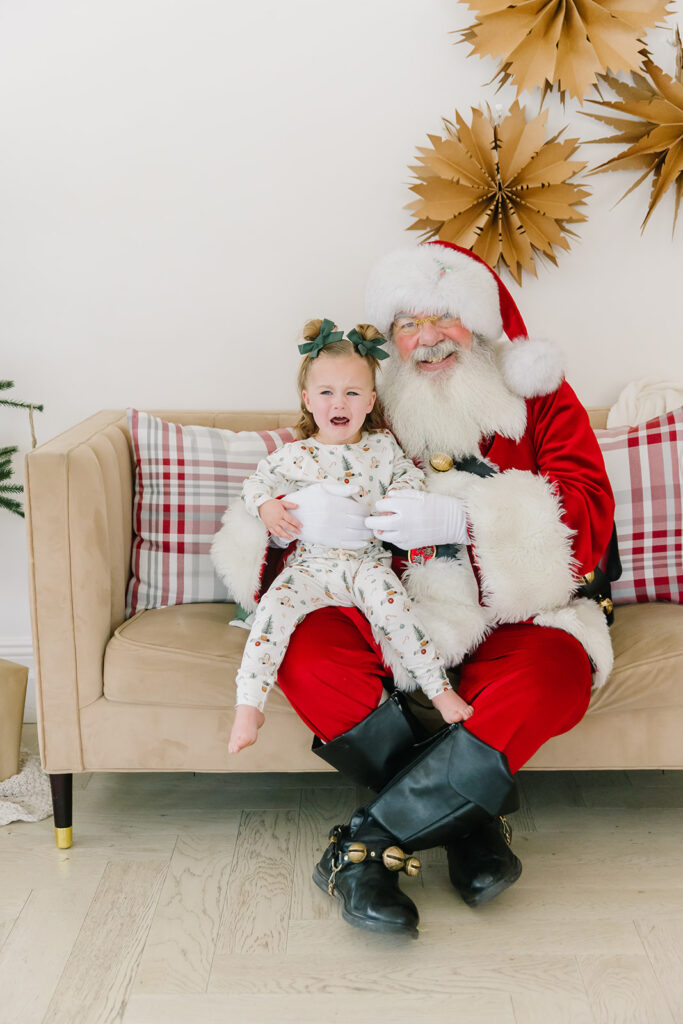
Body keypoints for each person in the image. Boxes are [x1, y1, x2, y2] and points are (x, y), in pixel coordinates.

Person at [213, 242, 616, 939]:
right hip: (393, 606)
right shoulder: (364, 401)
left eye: (442, 316)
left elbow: (589, 508)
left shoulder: (540, 395)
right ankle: (466, 824)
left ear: (478, 320)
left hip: (515, 612)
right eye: (406, 324)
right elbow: (273, 495)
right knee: (305, 652)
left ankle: (365, 846)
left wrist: (470, 519)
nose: (425, 338)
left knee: (555, 674)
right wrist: (304, 515)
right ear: (389, 341)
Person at [222, 318, 474, 756]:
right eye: (327, 393)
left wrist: (402, 498)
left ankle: (437, 688)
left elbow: (408, 478)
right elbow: (255, 485)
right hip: (311, 566)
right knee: (271, 614)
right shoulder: (295, 455)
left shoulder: (381, 447)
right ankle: (249, 703)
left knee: (397, 609)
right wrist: (269, 506)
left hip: (366, 563)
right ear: (307, 400)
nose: (339, 402)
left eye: (352, 393)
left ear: (370, 400)